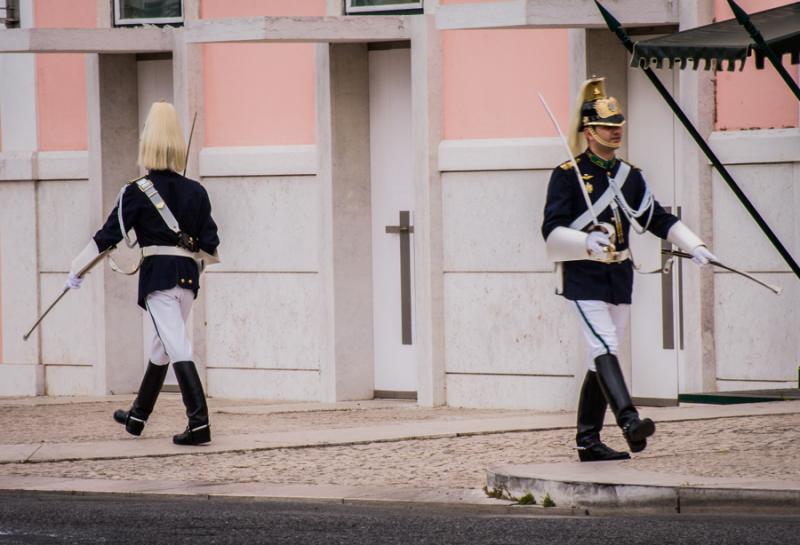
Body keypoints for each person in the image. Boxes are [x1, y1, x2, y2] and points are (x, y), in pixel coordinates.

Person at [540, 77, 715, 462]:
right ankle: (630, 420)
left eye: (619, 125)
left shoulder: (630, 175)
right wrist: (584, 241)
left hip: (619, 276)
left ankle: (588, 442)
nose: (616, 131)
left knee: (597, 358)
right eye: (607, 126)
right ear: (589, 131)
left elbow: (656, 217)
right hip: (582, 276)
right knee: (605, 346)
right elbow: (551, 231)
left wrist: (693, 244)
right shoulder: (568, 175)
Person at [66, 101, 219, 446]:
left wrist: (76, 269)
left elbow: (107, 236)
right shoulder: (197, 191)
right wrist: (189, 244)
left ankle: (199, 423)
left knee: (175, 343)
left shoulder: (136, 192)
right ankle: (138, 416)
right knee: (161, 346)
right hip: (187, 277)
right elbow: (211, 243)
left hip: (159, 278)